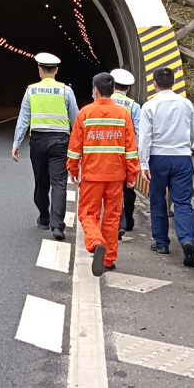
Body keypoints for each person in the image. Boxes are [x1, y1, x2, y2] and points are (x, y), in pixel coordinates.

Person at [67, 72, 140, 277]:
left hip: (92, 174)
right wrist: (132, 174)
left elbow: (75, 147)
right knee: (112, 217)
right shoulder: (123, 114)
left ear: (96, 90)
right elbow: (131, 148)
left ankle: (95, 242)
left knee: (88, 214)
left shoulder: (85, 113)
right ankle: (108, 259)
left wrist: (73, 169)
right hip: (116, 175)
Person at [12, 53, 79, 241]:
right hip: (60, 142)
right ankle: (57, 225)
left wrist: (17, 143)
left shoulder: (31, 91)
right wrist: (79, 146)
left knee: (41, 182)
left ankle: (43, 217)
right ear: (56, 71)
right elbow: (76, 120)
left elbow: (23, 119)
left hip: (38, 142)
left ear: (39, 70)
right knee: (59, 183)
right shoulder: (66, 91)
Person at [139, 67, 194, 266]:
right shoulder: (186, 104)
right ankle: (187, 240)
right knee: (182, 202)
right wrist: (184, 147)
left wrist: (144, 163)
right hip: (182, 158)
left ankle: (162, 243)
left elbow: (145, 138)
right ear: (173, 82)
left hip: (158, 159)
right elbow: (193, 133)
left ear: (154, 84)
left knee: (158, 200)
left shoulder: (149, 106)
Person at [110, 68, 142, 240]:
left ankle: (116, 221)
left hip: (106, 154)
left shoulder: (103, 102)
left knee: (112, 190)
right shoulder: (133, 106)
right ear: (128, 88)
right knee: (128, 188)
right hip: (127, 153)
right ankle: (127, 220)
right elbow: (140, 131)